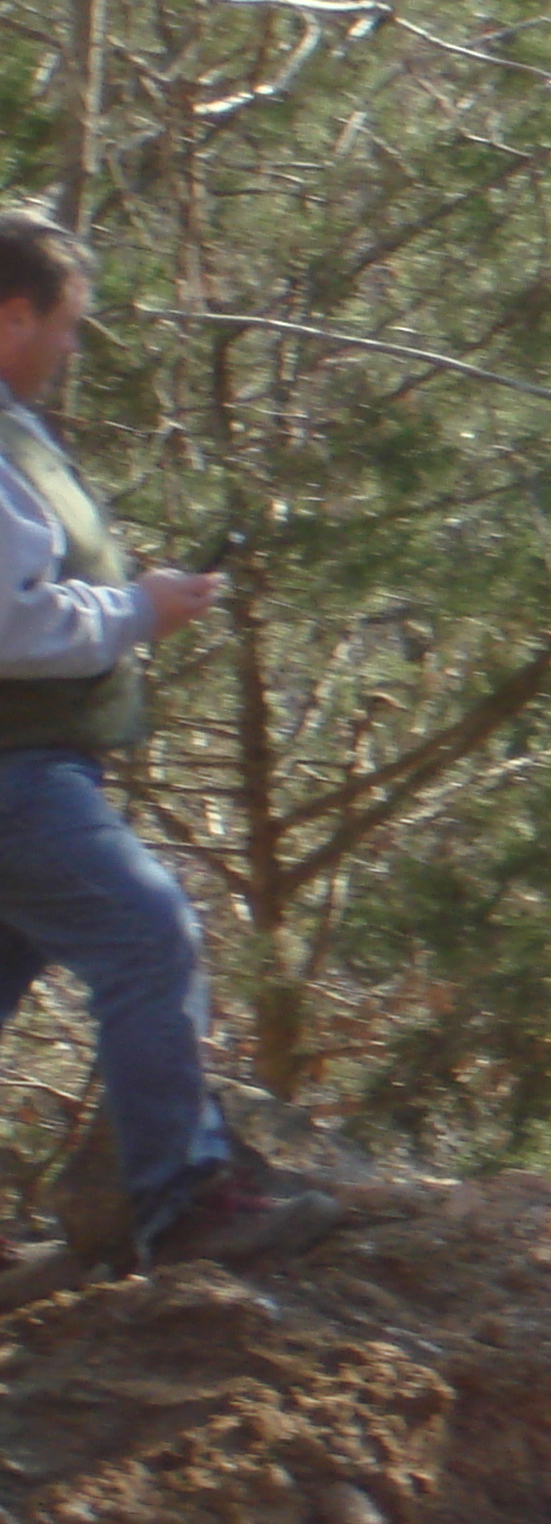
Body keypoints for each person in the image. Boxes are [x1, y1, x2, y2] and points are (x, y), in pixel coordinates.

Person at [0, 215, 331, 1268]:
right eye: (67, 325)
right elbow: (8, 620)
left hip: (33, 764)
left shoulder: (15, 430)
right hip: (16, 773)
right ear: (12, 316)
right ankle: (182, 1205)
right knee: (150, 934)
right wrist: (138, 610)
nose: (73, 347)